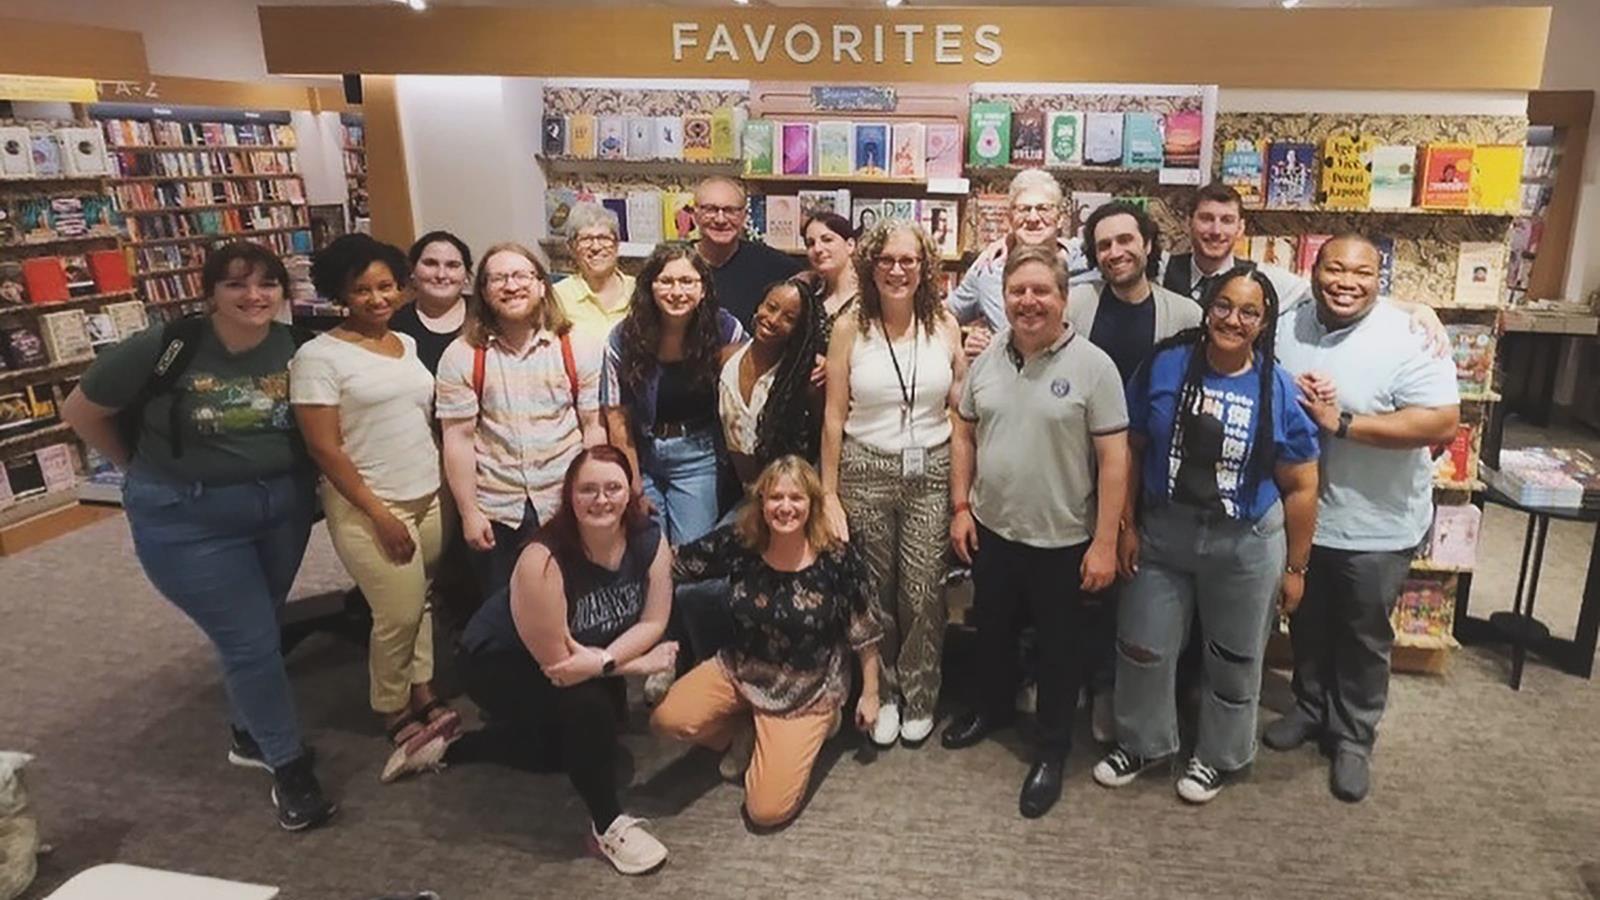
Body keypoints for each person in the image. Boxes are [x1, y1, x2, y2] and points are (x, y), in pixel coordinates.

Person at [60, 242, 334, 832]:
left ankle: (247, 728)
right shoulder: (169, 346)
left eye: (267, 284)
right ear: (210, 291)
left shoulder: (301, 349)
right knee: (253, 641)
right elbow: (80, 410)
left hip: (281, 510)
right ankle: (288, 765)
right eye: (236, 285)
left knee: (259, 622)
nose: (254, 296)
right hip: (190, 521)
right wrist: (137, 467)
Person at [1091, 265, 1320, 804]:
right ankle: (1144, 743)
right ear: (1207, 308)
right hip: (1164, 533)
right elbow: (1132, 448)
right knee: (1142, 646)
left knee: (1235, 656)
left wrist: (1297, 567)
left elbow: (1303, 484)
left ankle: (1219, 756)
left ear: (1264, 324)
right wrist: (1125, 526)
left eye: (1249, 313)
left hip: (1245, 543)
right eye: (1223, 306)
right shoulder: (1167, 364)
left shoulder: (1278, 387)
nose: (1232, 320)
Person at [1267, 233, 1460, 803]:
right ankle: (1308, 705)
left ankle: (1353, 735)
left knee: (1364, 634)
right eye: (1334, 269)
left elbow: (1441, 423)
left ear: (1381, 279)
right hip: (1304, 518)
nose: (1346, 282)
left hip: (1378, 523)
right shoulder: (1290, 318)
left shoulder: (1408, 336)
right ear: (1313, 269)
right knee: (1305, 620)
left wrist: (1343, 422)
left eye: (1362, 273)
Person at [940, 246, 1129, 818]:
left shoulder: (1095, 367)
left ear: (1063, 298)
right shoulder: (990, 356)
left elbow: (1115, 460)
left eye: (1040, 291)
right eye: (1017, 291)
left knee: (1058, 654)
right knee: (991, 633)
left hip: (1064, 540)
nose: (1028, 302)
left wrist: (1104, 542)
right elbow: (964, 432)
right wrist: (960, 507)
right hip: (995, 530)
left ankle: (1052, 748)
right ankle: (992, 709)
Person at [453, 447, 678, 875]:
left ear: (629, 493)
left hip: (585, 653)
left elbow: (653, 621)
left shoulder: (648, 538)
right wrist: (629, 666)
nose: (601, 499)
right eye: (587, 489)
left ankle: (459, 746)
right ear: (569, 496)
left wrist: (606, 659)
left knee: (576, 750)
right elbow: (561, 670)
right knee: (589, 712)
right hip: (498, 661)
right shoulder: (543, 559)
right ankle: (606, 826)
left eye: (613, 488)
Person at [290, 234, 456, 784]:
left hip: (425, 490)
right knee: (397, 613)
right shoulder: (318, 357)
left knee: (422, 601)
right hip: (369, 504)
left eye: (386, 286)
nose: (377, 298)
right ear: (341, 292)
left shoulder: (403, 345)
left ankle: (424, 689)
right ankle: (393, 707)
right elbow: (325, 447)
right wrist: (379, 513)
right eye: (362, 289)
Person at [651, 456, 883, 828]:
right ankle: (745, 731)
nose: (785, 507)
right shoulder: (743, 541)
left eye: (796, 498)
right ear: (761, 502)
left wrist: (871, 693)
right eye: (775, 497)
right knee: (666, 719)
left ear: (812, 503)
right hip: (743, 669)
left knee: (765, 811)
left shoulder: (837, 558)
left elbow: (865, 630)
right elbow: (678, 563)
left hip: (807, 690)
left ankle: (820, 725)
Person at [820, 220, 967, 748]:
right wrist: (829, 495)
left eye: (909, 260)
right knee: (873, 590)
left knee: (924, 590)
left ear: (926, 267)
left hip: (929, 469)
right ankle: (879, 693)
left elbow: (960, 407)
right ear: (870, 266)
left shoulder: (945, 325)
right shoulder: (848, 327)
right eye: (886, 261)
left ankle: (921, 693)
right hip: (863, 467)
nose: (897, 270)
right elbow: (834, 416)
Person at [438, 242, 604, 599]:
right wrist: (469, 513)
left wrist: (594, 500)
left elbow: (593, 428)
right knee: (504, 613)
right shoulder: (462, 355)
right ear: (483, 290)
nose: (511, 286)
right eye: (497, 278)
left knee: (572, 604)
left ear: (542, 284)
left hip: (564, 503)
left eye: (520, 275)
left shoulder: (579, 346)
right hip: (498, 508)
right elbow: (458, 439)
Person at [602, 242, 744, 546]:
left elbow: (753, 374)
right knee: (648, 549)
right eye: (666, 281)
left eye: (687, 281)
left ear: (703, 288)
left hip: (698, 456)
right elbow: (616, 417)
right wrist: (632, 482)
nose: (676, 291)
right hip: (642, 453)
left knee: (691, 555)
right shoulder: (623, 337)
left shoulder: (725, 329)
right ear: (649, 287)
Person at [946, 168, 1094, 359]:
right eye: (1023, 209)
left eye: (1043, 208)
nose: (1033, 218)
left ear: (1060, 219)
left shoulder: (1087, 258)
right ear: (1010, 220)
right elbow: (944, 315)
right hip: (1010, 383)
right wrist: (964, 343)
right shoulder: (989, 268)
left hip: (1077, 380)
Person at [719, 276, 827, 486]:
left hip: (787, 493)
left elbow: (823, 440)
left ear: (799, 329)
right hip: (736, 490)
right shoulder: (725, 358)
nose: (774, 320)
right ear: (759, 305)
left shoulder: (807, 378)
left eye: (789, 318)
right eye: (771, 307)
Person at [1161, 184, 1311, 309]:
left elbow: (1314, 295)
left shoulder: (1261, 277)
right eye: (1206, 219)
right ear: (1188, 223)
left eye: (1227, 220)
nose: (1216, 231)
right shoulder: (1161, 271)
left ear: (1240, 228)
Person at [692, 176, 803, 328]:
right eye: (710, 210)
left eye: (730, 211)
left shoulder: (774, 265)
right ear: (695, 214)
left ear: (744, 216)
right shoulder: (673, 264)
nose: (720, 219)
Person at [552, 202, 635, 348]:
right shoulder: (557, 296)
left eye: (604, 238)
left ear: (616, 245)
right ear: (572, 248)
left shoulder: (639, 290)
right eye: (586, 239)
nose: (596, 247)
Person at [389, 230, 471, 376]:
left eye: (452, 265)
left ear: (466, 275)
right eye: (430, 263)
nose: (441, 274)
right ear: (412, 271)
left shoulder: (488, 315)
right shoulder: (394, 325)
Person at [802, 212, 860, 346]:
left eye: (827, 239)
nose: (817, 249)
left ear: (850, 245)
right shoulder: (809, 297)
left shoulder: (872, 297)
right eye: (810, 243)